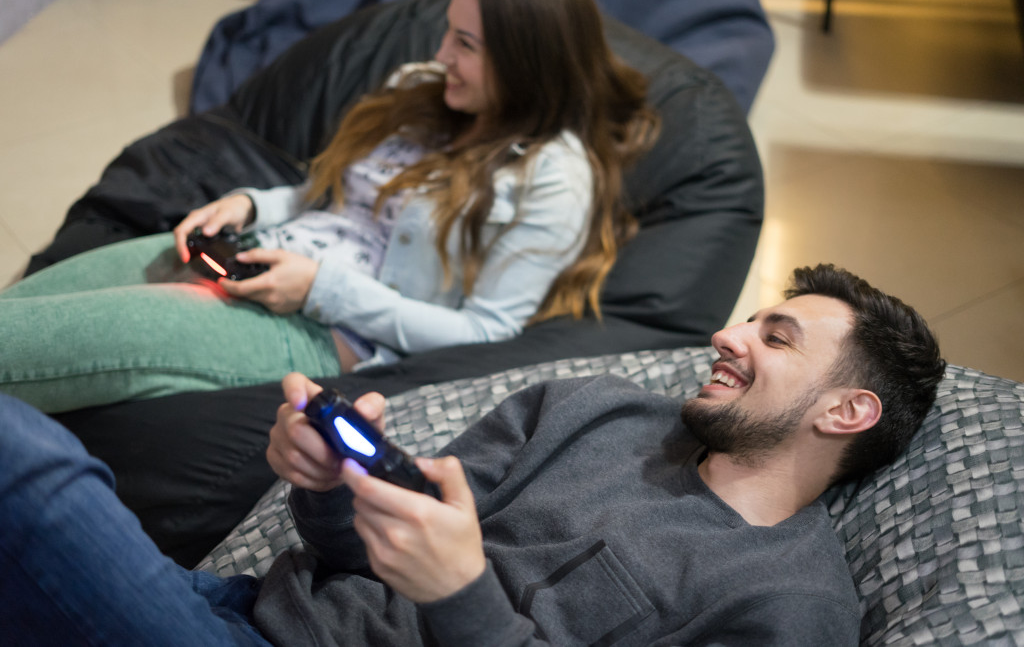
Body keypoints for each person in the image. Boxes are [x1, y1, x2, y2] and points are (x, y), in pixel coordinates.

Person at [0, 264, 945, 645]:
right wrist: (331, 489)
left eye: (775, 338)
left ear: (848, 409)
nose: (727, 334)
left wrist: (461, 597)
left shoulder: (793, 608)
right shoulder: (598, 409)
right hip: (250, 610)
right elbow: (356, 558)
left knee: (29, 464)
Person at [0, 0, 659, 414]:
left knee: (24, 347)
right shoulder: (423, 92)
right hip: (256, 252)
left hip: (316, 328)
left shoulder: (554, 179)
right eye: (448, 31)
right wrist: (251, 202)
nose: (442, 55)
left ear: (527, 63)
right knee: (20, 311)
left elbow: (487, 330)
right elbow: (332, 194)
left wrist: (320, 288)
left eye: (464, 42)